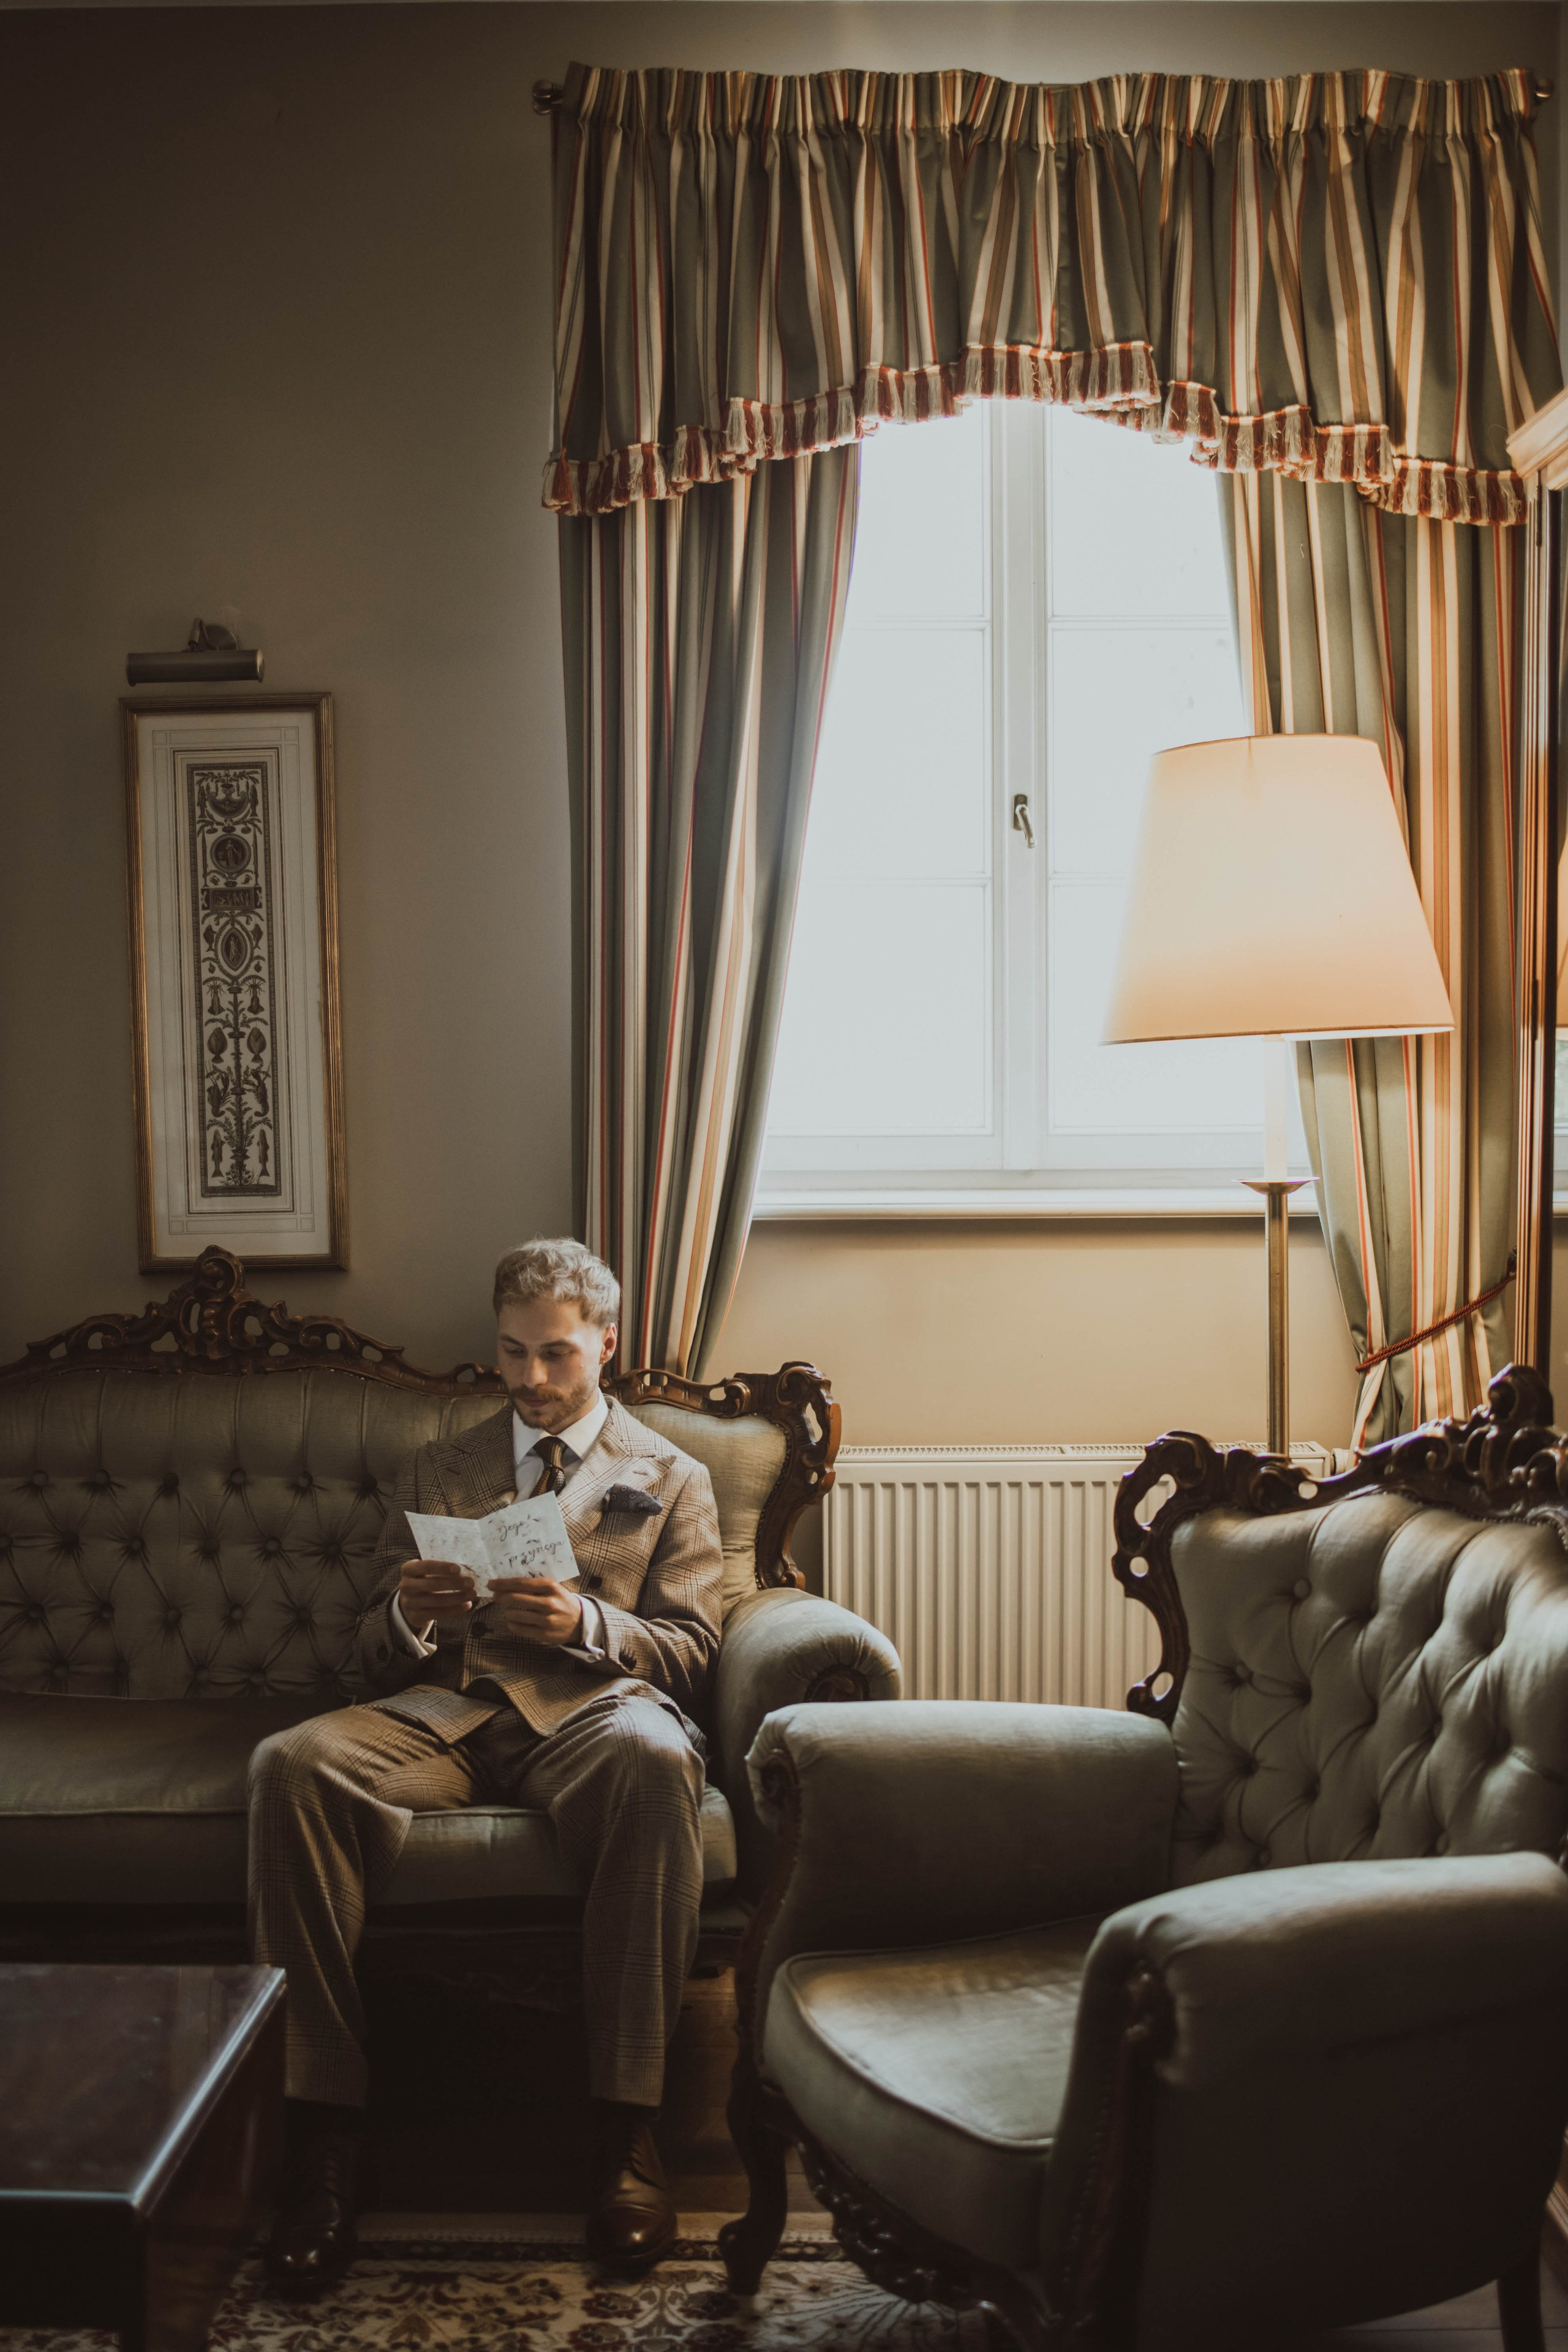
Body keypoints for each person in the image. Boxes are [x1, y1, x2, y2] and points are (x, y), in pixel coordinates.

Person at [249, 1238, 723, 2294]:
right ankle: (324, 2132)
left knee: (655, 1759)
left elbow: (695, 1652)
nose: (532, 1379)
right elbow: (364, 1656)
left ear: (605, 1343)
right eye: (513, 1353)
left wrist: (588, 1623)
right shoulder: (439, 1466)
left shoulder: (672, 1475)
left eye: (556, 1355)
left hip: (590, 1714)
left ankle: (626, 2129)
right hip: (446, 1715)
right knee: (291, 1766)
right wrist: (410, 1617)